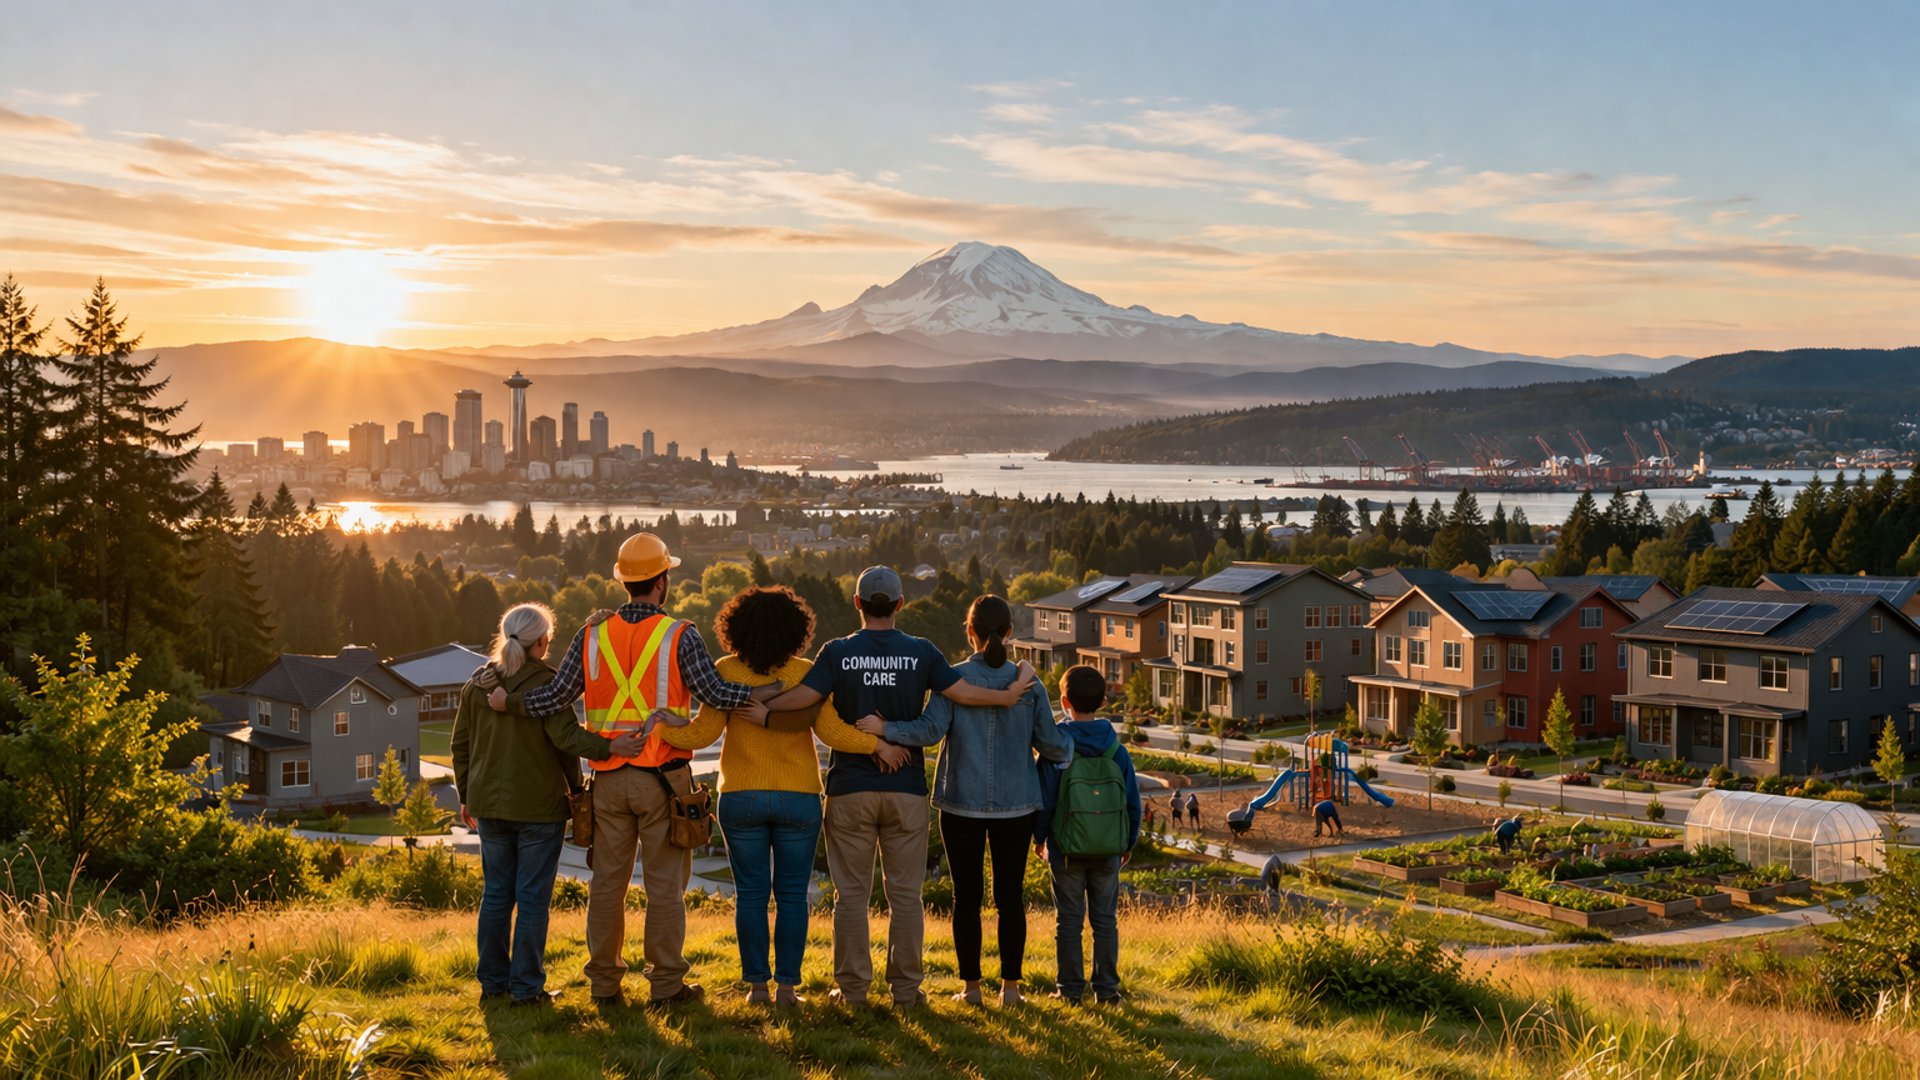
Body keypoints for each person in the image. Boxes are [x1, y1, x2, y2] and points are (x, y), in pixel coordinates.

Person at [486, 532, 773, 1008]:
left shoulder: (591, 633)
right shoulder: (680, 635)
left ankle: (604, 985)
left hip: (608, 782)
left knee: (607, 885)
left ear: (624, 582)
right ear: (662, 582)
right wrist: (769, 695)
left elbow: (556, 697)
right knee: (665, 889)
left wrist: (510, 702)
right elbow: (716, 695)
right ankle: (666, 987)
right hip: (664, 780)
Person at [753, 565, 1037, 1008]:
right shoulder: (922, 651)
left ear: (858, 604)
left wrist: (759, 703)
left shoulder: (838, 651)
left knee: (851, 897)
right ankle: (906, 992)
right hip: (906, 791)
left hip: (850, 790)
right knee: (906, 897)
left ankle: (853, 992)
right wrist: (1005, 696)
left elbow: (804, 698)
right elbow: (963, 693)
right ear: (901, 605)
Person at [654, 586, 911, 1008]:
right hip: (798, 798)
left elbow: (702, 734)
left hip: (740, 796)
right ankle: (787, 990)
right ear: (798, 630)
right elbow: (831, 732)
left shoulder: (727, 670)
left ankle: (757, 989)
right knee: (792, 896)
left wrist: (659, 725)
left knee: (751, 895)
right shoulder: (805, 672)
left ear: (734, 628)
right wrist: (878, 746)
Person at [857, 595, 1072, 1006]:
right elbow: (1051, 745)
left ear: (969, 632)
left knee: (966, 898)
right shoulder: (1029, 684)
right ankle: (1011, 991)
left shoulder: (952, 679)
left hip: (961, 804)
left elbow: (930, 730)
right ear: (1009, 632)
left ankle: (971, 989)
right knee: (1010, 898)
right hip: (1017, 806)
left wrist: (886, 729)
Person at [451, 602, 652, 1006]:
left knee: (495, 896)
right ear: (541, 642)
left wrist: (467, 797)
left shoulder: (477, 684)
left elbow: (461, 746)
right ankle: (527, 990)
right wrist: (605, 754)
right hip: (538, 808)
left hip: (488, 805)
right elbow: (567, 741)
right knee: (531, 899)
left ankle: (492, 986)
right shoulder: (547, 684)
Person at [1035, 665, 1141, 1006]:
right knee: (1105, 921)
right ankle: (1108, 991)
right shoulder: (1117, 750)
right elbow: (1131, 802)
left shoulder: (1057, 748)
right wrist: (1128, 843)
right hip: (1109, 847)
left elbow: (1045, 800)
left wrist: (1040, 838)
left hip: (1066, 848)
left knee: (1069, 921)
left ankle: (1069, 991)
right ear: (1103, 701)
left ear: (1065, 701)